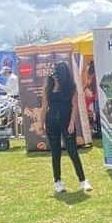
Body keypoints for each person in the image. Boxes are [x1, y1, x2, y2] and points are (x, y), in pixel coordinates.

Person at [41, 61, 92, 193]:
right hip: (52, 122)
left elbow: (74, 106)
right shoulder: (48, 88)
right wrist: (41, 124)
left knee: (72, 152)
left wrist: (71, 123)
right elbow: (44, 107)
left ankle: (83, 181)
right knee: (55, 152)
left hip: (66, 121)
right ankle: (57, 182)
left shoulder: (71, 88)